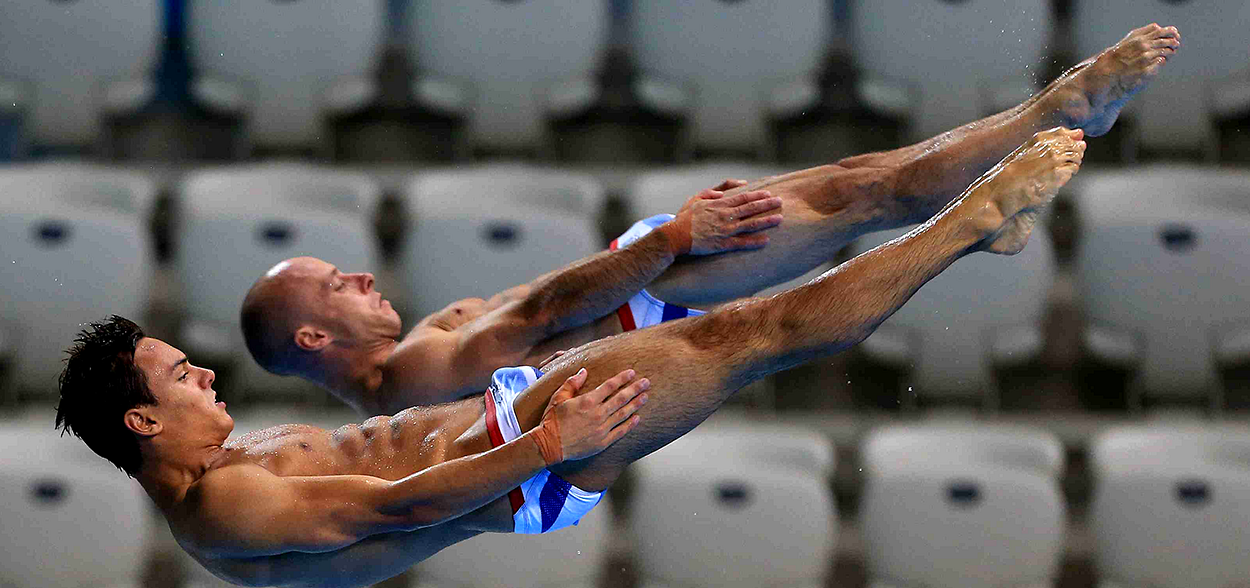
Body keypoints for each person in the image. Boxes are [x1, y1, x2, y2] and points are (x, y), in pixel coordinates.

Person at [58, 126, 1085, 588]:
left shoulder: (241, 459)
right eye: (175, 374)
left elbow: (513, 323)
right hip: (516, 456)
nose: (199, 374)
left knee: (746, 303)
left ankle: (957, 196)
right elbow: (397, 506)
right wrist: (544, 437)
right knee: (745, 339)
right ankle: (971, 218)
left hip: (507, 431)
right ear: (140, 420)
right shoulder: (220, 511)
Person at [240, 24, 1179, 415]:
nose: (361, 276)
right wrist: (671, 242)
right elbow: (533, 323)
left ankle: (1048, 121)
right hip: (647, 309)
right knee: (861, 201)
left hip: (634, 292)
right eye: (336, 285)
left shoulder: (402, 378)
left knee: (859, 186)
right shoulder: (410, 375)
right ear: (316, 335)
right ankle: (1040, 134)